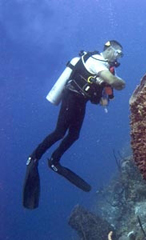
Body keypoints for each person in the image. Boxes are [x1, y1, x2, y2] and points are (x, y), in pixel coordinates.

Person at [23, 40, 126, 209]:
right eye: (117, 52)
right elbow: (113, 81)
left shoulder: (103, 66)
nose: (118, 56)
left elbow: (103, 92)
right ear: (108, 49)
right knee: (59, 132)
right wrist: (121, 83)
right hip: (71, 97)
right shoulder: (95, 61)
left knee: (74, 135)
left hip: (81, 101)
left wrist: (106, 93)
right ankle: (34, 157)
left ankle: (55, 160)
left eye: (120, 54)